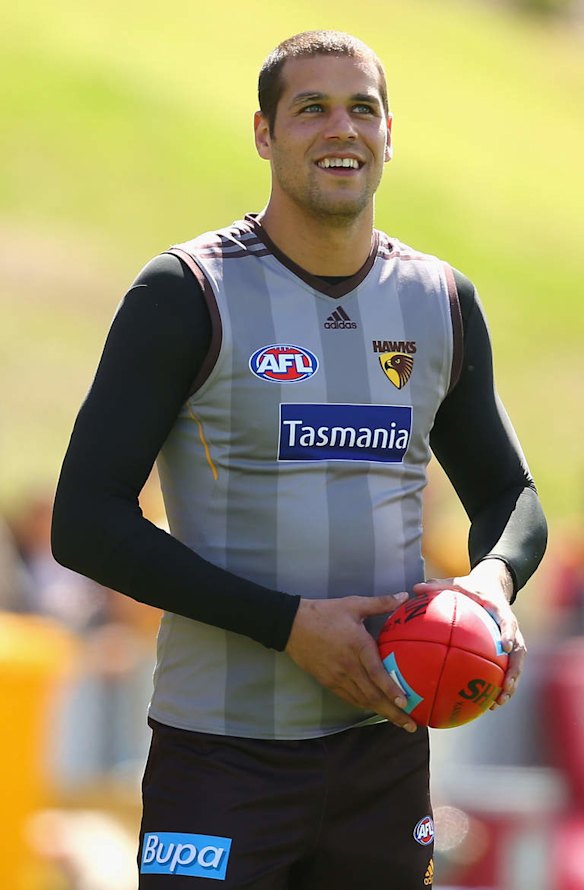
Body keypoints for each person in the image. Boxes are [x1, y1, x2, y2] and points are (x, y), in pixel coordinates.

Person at [51, 30, 547, 889]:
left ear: (390, 133)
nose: (340, 129)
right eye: (310, 108)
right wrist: (288, 626)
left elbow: (511, 497)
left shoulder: (439, 302)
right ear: (263, 133)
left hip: (384, 753)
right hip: (219, 758)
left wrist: (487, 592)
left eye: (362, 108)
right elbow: (85, 522)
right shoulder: (185, 292)